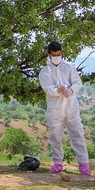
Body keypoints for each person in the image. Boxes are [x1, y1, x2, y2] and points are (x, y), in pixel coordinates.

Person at [39, 41, 91, 175]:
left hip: (71, 107)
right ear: (49, 55)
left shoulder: (69, 67)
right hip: (55, 110)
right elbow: (48, 88)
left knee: (78, 135)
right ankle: (57, 164)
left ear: (61, 53)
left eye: (59, 54)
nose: (57, 56)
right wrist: (58, 90)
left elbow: (77, 83)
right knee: (55, 137)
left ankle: (84, 165)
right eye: (54, 55)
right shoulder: (45, 71)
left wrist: (70, 90)